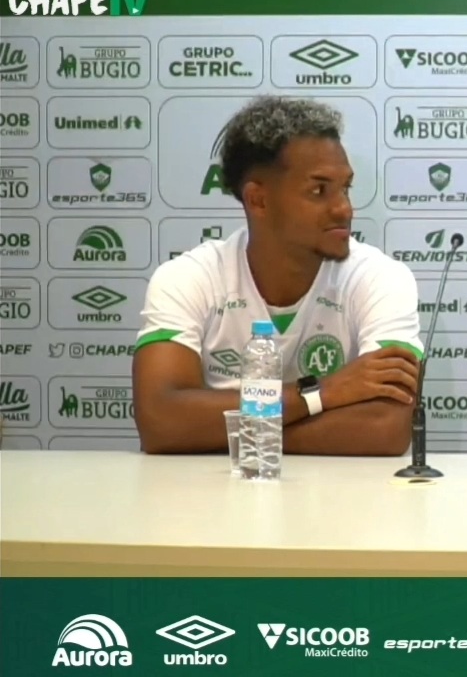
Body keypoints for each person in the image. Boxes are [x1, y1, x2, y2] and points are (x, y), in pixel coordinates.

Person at [132, 96, 424, 456]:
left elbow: (386, 428)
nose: (344, 208)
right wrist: (322, 393)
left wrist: (232, 433)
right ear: (258, 200)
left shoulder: (380, 278)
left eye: (345, 188)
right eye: (319, 190)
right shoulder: (188, 278)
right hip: (213, 491)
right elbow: (162, 421)